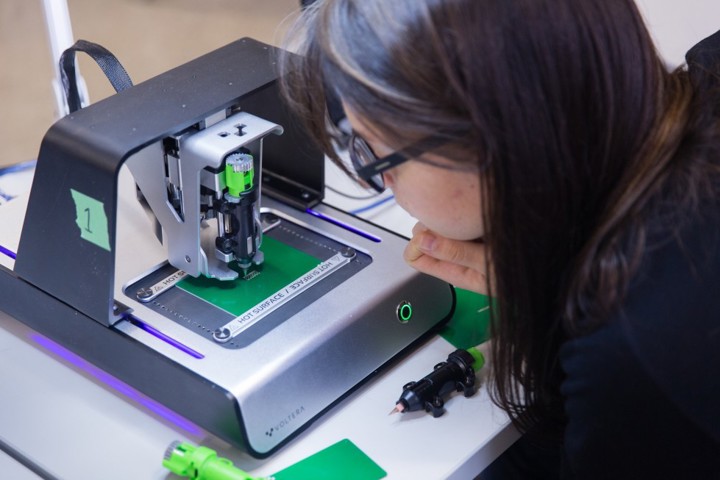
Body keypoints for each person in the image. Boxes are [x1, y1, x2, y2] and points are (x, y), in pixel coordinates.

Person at [279, 0, 720, 478]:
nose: (378, 183)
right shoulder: (707, 68)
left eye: (371, 153)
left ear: (496, 137)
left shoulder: (632, 353)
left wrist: (561, 308)